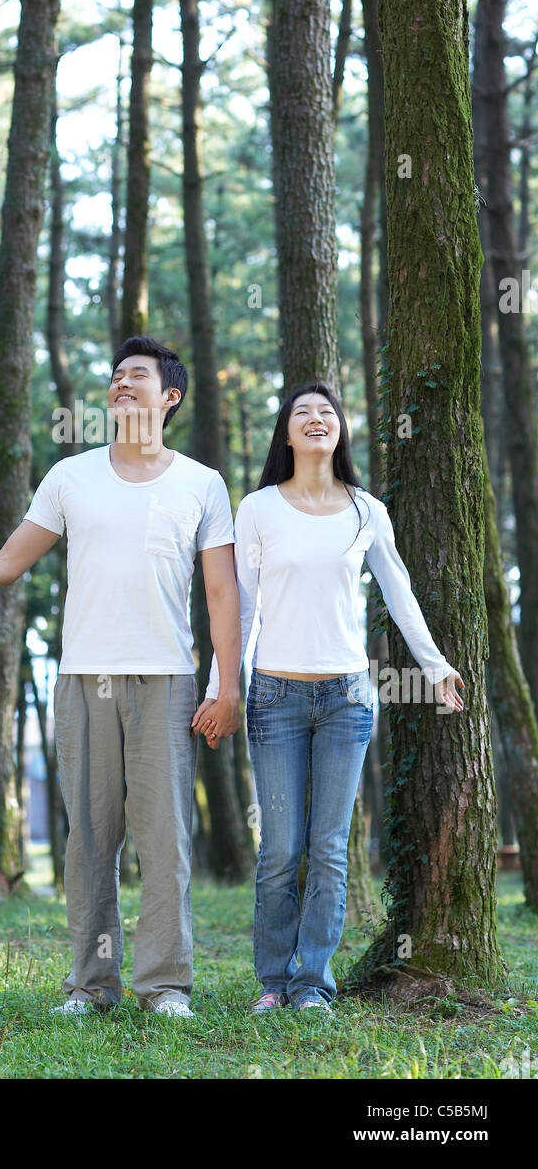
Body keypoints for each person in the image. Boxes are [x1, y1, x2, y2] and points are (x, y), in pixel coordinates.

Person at [0, 336, 242, 1017]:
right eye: (116, 375)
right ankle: (92, 985)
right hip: (82, 681)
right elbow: (5, 563)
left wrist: (224, 687)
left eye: (137, 376)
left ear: (169, 395)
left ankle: (165, 986)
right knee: (88, 841)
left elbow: (222, 595)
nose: (121, 383)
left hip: (166, 681)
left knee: (164, 841)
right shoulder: (70, 476)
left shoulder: (201, 483)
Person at [202, 381, 464, 1016]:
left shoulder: (366, 510)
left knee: (327, 849)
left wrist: (434, 666)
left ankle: (313, 983)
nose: (316, 420)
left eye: (327, 412)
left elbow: (398, 592)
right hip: (274, 697)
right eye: (302, 414)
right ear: (286, 434)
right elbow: (238, 602)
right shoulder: (259, 507)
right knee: (281, 847)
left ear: (341, 429)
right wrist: (222, 687)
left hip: (347, 697)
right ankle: (272, 980)